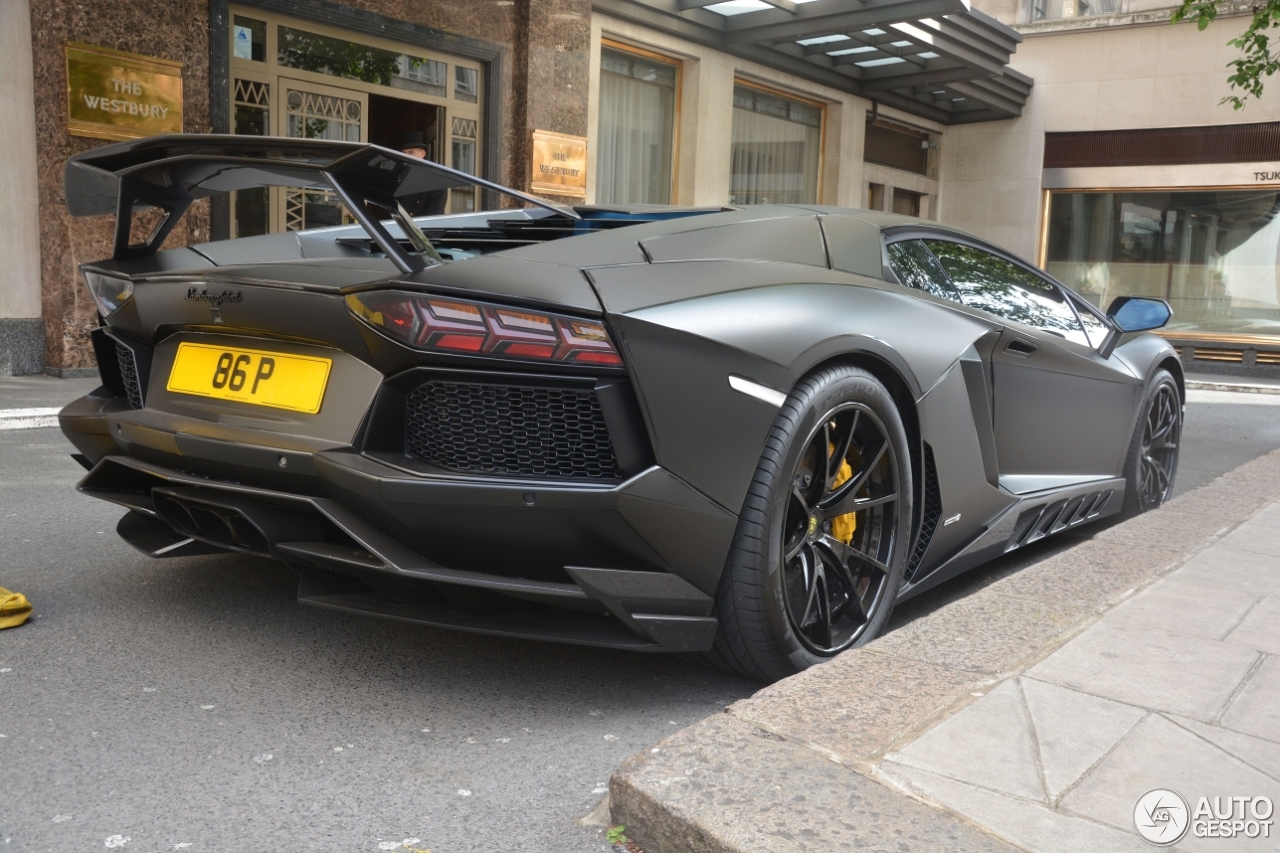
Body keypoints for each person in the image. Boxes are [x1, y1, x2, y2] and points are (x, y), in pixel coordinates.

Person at [398, 130, 447, 216]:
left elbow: (434, 216)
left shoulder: (437, 181)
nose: (406, 156)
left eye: (411, 152)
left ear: (423, 153)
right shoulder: (399, 177)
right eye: (404, 153)